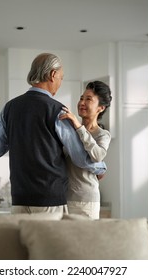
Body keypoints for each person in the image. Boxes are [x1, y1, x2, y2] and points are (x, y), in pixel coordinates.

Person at [0, 53, 106, 214]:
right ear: (53, 74)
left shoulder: (9, 108)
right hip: (49, 199)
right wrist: (100, 167)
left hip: (19, 198)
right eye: (61, 78)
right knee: (49, 240)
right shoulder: (58, 111)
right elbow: (79, 158)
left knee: (22, 240)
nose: (60, 83)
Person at [59, 81, 112, 219]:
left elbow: (98, 156)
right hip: (64, 198)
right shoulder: (70, 131)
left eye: (88, 99)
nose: (82, 102)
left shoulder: (102, 134)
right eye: (81, 98)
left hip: (86, 201)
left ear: (100, 108)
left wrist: (78, 126)